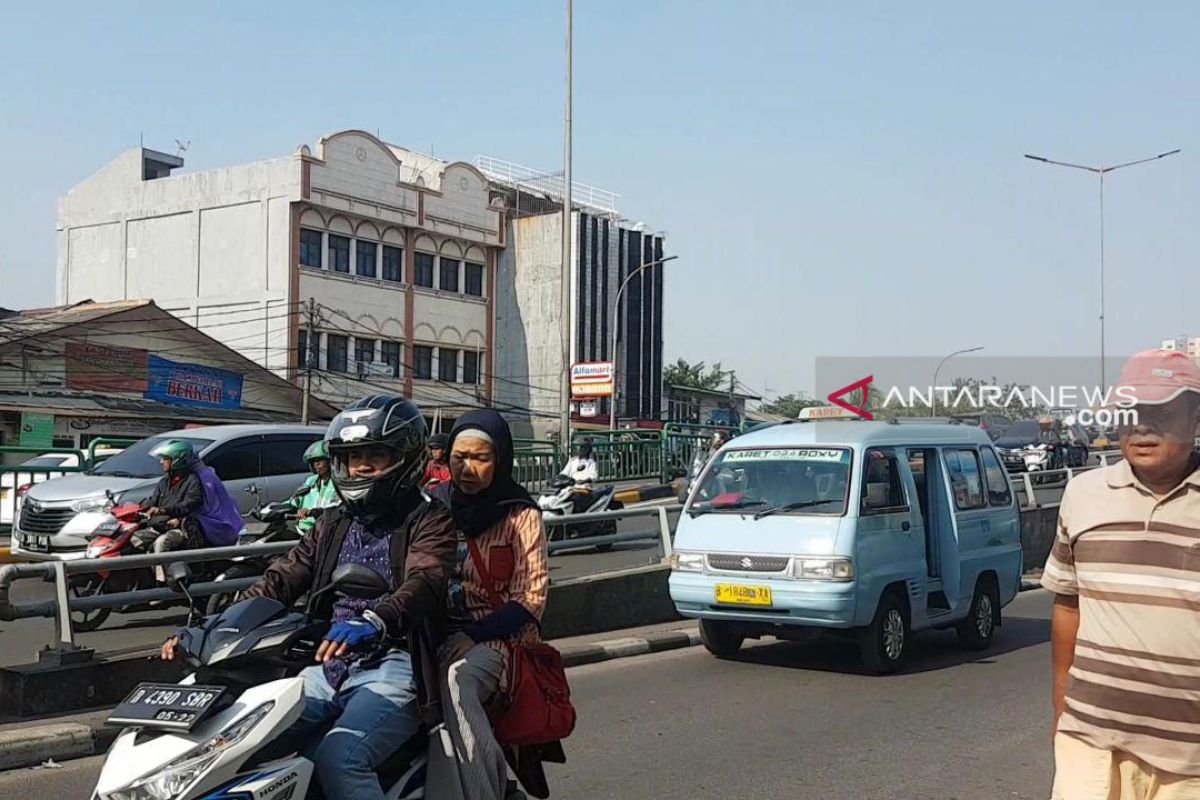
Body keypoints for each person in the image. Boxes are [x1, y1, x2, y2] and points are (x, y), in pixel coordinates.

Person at [161, 395, 457, 800]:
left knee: (340, 757)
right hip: (325, 664)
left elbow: (425, 581)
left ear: (405, 458)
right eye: (353, 458)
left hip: (395, 663)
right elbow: (281, 578)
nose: (362, 467)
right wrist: (211, 628)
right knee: (240, 741)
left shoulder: (428, 519)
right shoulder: (332, 522)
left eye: (375, 455)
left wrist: (376, 621)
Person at [1043, 350, 1200, 799]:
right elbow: (1067, 604)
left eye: (1161, 411)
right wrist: (1062, 715)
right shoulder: (1084, 494)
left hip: (1190, 761)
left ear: (1195, 417)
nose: (1142, 425)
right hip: (1089, 745)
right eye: (1130, 411)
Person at [429, 410, 552, 800]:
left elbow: (531, 596)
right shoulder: (431, 507)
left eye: (480, 458)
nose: (467, 468)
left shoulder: (520, 513)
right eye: (459, 457)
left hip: (500, 639)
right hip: (435, 631)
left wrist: (474, 634)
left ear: (500, 460)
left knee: (456, 680)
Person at [140, 439, 242, 582]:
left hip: (199, 526)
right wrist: (134, 507)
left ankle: (162, 586)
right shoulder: (165, 481)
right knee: (135, 538)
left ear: (176, 460)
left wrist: (172, 515)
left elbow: (194, 506)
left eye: (165, 459)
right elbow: (152, 500)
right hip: (163, 524)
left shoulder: (199, 479)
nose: (161, 462)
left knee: (162, 543)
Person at [290, 439, 339, 536]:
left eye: (320, 460)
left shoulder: (337, 483)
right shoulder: (311, 481)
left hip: (323, 531)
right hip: (303, 529)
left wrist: (311, 512)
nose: (317, 464)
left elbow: (336, 507)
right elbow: (296, 499)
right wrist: (275, 507)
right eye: (313, 461)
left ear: (330, 461)